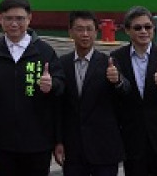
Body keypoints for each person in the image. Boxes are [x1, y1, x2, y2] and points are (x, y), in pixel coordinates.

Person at [0, 0, 65, 176]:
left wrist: (52, 85)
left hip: (38, 143)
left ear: (29, 19)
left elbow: (61, 88)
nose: (14, 24)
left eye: (19, 18)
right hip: (3, 143)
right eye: (8, 18)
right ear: (0, 19)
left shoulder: (44, 51)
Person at [110, 7, 157, 176]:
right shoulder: (117, 57)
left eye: (148, 26)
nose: (144, 31)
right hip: (132, 137)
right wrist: (117, 82)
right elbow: (117, 93)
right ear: (127, 30)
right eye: (138, 27)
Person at [54, 10, 128, 176]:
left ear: (96, 32)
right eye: (79, 29)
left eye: (89, 29)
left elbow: (125, 92)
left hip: (104, 147)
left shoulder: (109, 62)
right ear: (70, 32)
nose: (85, 34)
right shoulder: (62, 63)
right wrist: (58, 141)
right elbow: (58, 106)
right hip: (73, 149)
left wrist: (117, 81)